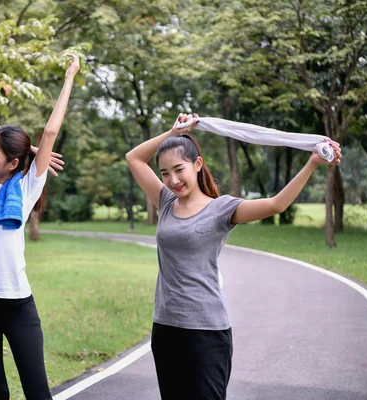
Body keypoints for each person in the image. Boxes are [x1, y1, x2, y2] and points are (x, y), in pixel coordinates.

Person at [125, 113, 341, 400]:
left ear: (197, 164)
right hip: (165, 328)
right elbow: (134, 158)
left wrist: (312, 162)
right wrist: (173, 132)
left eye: (179, 169)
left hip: (206, 330)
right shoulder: (165, 202)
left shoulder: (222, 209)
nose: (173, 180)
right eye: (165, 173)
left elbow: (276, 204)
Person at [0, 54, 80, 400]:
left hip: (16, 305)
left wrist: (70, 76)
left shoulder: (26, 189)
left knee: (37, 393)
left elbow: (52, 129)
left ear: (12, 163)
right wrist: (32, 148)